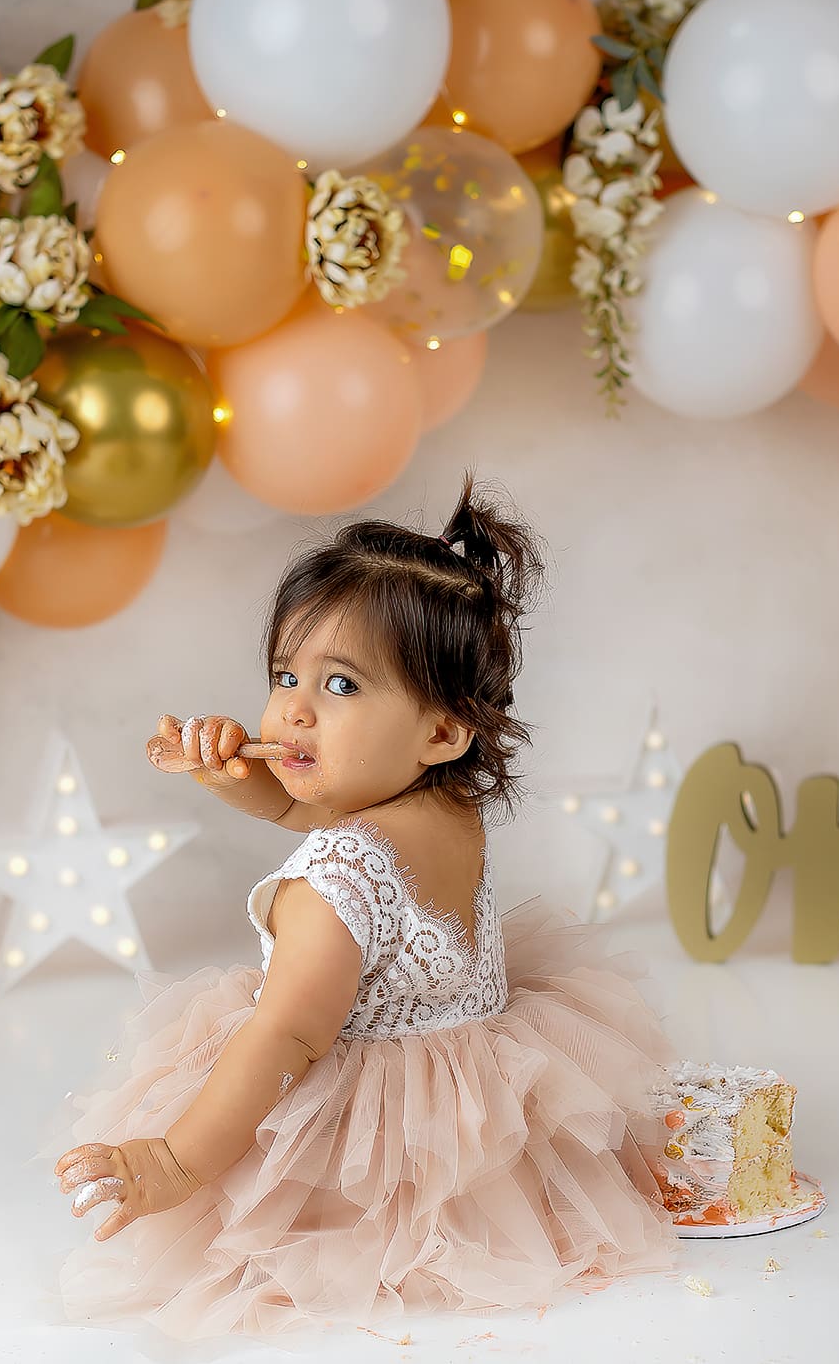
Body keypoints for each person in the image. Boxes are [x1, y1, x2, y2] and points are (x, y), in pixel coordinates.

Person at [51, 477, 680, 1337]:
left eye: (340, 686)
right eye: (285, 674)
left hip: (371, 1140)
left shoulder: (333, 880)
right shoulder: (442, 807)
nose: (293, 709)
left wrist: (173, 1155)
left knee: (270, 1148)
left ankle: (312, 1222)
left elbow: (289, 1036)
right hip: (477, 1104)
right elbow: (303, 806)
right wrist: (230, 775)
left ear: (441, 732)